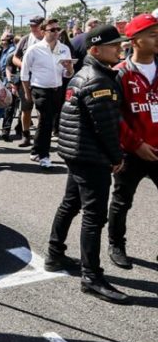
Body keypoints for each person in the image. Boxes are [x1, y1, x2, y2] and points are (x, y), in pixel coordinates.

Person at [46, 25, 128, 304]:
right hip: (89, 156)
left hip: (76, 152)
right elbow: (106, 128)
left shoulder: (88, 73)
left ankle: (54, 254)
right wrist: (117, 158)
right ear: (95, 50)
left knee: (70, 202)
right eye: (114, 45)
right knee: (94, 216)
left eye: (120, 44)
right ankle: (91, 277)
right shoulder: (98, 80)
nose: (120, 49)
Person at [107, 13, 158, 269]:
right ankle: (116, 244)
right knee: (122, 200)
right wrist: (136, 144)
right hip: (131, 151)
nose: (157, 38)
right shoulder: (119, 73)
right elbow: (113, 116)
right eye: (152, 34)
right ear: (135, 40)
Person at [21, 18, 75, 168]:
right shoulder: (34, 49)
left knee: (47, 122)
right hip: (40, 89)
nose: (56, 32)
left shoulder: (64, 49)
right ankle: (44, 156)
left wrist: (70, 69)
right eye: (52, 30)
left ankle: (35, 150)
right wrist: (27, 93)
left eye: (58, 29)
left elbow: (67, 74)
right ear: (43, 31)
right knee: (46, 121)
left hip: (57, 89)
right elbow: (24, 74)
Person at [11, 16, 46, 147]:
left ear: (42, 26)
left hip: (43, 80)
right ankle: (26, 136)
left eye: (35, 25)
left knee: (42, 110)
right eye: (31, 25)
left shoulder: (49, 40)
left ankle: (41, 137)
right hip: (26, 79)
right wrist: (24, 65)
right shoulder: (26, 39)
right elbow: (14, 58)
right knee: (26, 109)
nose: (33, 28)